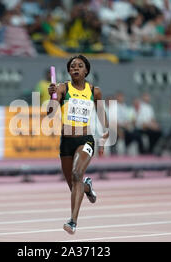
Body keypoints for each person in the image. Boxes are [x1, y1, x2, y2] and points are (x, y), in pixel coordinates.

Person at [47, 54, 109, 234]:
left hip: (85, 139)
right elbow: (50, 114)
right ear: (68, 71)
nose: (75, 68)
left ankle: (73, 221)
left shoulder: (94, 91)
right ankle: (87, 186)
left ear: (86, 70)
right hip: (66, 141)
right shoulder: (61, 88)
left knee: (76, 174)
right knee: (75, 185)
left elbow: (101, 113)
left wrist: (105, 133)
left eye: (79, 66)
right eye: (72, 66)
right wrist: (52, 96)